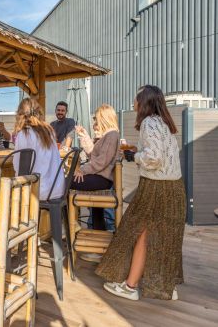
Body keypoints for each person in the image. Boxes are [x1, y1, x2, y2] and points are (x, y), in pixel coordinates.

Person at [96, 85, 186, 301]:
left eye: (136, 98)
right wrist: (138, 151)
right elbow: (161, 154)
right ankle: (166, 286)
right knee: (164, 237)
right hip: (174, 187)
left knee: (137, 233)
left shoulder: (148, 122)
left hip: (155, 187)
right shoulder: (164, 123)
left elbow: (154, 159)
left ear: (143, 101)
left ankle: (129, 286)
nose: (133, 102)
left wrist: (133, 157)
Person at [71, 104, 120, 262]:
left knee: (65, 183)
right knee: (96, 209)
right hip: (102, 177)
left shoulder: (111, 135)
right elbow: (94, 155)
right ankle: (99, 248)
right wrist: (84, 136)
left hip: (101, 179)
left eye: (97, 119)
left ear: (104, 118)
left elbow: (100, 163)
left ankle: (70, 225)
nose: (95, 122)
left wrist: (82, 170)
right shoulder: (108, 135)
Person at [13, 98, 64, 201]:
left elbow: (21, 170)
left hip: (38, 191)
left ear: (20, 114)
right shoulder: (49, 131)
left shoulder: (25, 134)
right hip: (57, 188)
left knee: (4, 190)